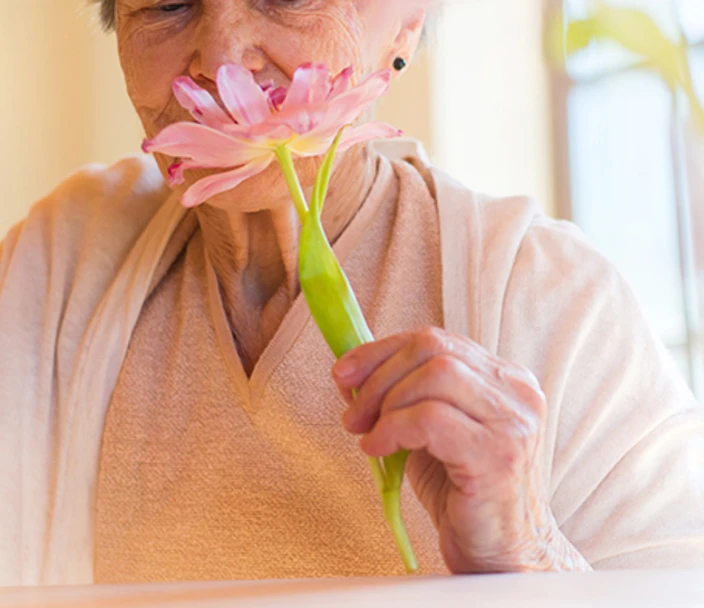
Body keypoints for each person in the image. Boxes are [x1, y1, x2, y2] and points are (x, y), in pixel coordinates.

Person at [1, 0, 703, 587]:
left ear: (404, 22)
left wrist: (529, 552)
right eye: (166, 3)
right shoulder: (48, 271)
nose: (219, 62)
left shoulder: (561, 304)